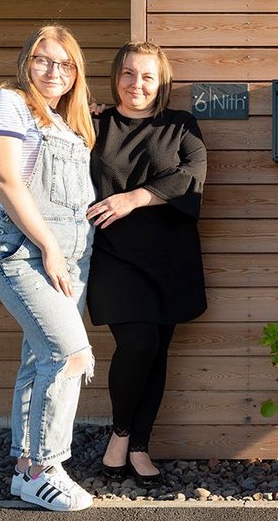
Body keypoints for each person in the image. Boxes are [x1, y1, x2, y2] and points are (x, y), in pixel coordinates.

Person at [0, 25, 96, 512]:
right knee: (70, 356)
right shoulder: (8, 102)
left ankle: (25, 470)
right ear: (27, 61)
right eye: (44, 60)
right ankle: (47, 467)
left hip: (71, 254)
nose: (54, 71)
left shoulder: (68, 122)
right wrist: (48, 244)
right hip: (27, 252)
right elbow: (5, 179)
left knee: (39, 359)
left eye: (65, 64)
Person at [85, 42, 208, 486]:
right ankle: (120, 435)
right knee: (137, 345)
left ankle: (139, 446)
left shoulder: (180, 125)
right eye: (129, 74)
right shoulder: (92, 122)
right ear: (116, 76)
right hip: (112, 255)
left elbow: (190, 176)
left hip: (169, 257)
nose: (137, 84)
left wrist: (134, 198)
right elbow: (50, 169)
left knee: (157, 353)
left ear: (162, 82)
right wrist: (1, 197)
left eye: (148, 76)